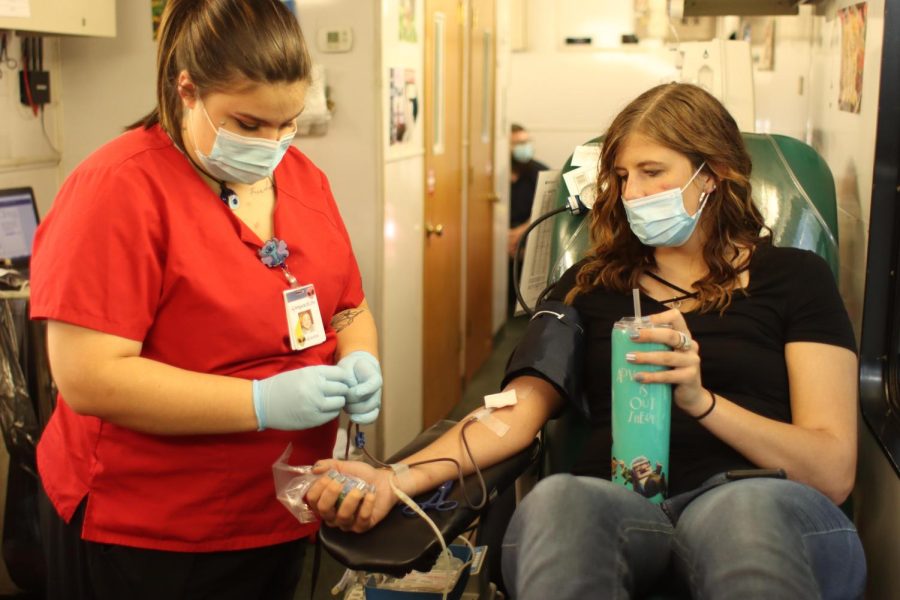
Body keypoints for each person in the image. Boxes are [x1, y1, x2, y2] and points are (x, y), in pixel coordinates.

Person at [307, 83, 866, 599]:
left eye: (652, 172)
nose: (633, 194)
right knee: (560, 500)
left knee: (740, 515)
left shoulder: (794, 278)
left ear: (714, 173)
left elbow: (832, 470)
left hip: (760, 500)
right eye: (623, 177)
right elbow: (514, 414)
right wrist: (396, 477)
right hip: (624, 510)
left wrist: (704, 403)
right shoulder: (591, 285)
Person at [29, 1, 382, 599]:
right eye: (248, 124)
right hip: (153, 532)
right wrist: (261, 402)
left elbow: (347, 305)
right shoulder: (117, 189)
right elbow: (88, 378)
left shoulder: (302, 178)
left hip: (280, 508)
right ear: (187, 89)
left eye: (287, 123)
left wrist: (360, 357)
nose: (273, 145)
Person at [508, 123, 548, 314]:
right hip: (500, 236)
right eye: (517, 143)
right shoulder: (493, 175)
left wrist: (522, 231)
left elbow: (545, 209)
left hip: (529, 233)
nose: (524, 147)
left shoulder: (538, 172)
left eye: (526, 142)